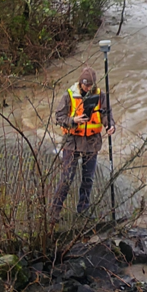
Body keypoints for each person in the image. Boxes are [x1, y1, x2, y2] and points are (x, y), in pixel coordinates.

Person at [52, 65, 115, 217]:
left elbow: (106, 113)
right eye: (85, 85)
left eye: (90, 85)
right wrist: (73, 120)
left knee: (88, 179)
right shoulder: (69, 96)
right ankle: (54, 211)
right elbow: (59, 118)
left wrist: (110, 125)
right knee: (66, 178)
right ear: (80, 83)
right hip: (72, 142)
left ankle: (83, 209)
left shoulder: (101, 96)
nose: (87, 88)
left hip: (92, 142)